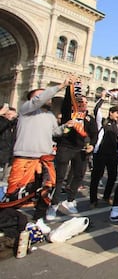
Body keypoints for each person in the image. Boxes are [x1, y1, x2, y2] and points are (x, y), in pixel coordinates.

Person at [0, 78, 72, 233]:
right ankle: (8, 219)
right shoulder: (26, 110)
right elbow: (39, 99)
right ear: (33, 98)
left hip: (45, 159)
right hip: (25, 158)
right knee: (15, 191)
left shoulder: (51, 116)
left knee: (46, 190)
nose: (49, 98)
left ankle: (39, 218)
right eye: (43, 95)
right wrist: (61, 85)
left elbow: (55, 133)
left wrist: (67, 127)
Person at [47, 82, 98, 219]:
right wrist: (71, 86)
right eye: (81, 102)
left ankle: (70, 200)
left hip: (81, 150)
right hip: (66, 147)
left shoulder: (89, 118)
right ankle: (53, 205)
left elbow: (95, 135)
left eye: (86, 102)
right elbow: (68, 101)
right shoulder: (68, 114)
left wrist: (92, 145)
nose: (84, 104)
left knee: (79, 176)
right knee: (59, 177)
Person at [89, 89, 118, 208]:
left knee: (112, 177)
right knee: (96, 177)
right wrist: (103, 98)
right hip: (100, 153)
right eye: (117, 113)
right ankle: (93, 200)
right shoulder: (102, 122)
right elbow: (96, 110)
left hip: (113, 155)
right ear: (111, 113)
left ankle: (106, 196)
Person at [0, 105, 17, 182]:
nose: (11, 117)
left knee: (6, 181)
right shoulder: (3, 124)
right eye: (9, 114)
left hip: (10, 158)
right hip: (1, 157)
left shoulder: (14, 126)